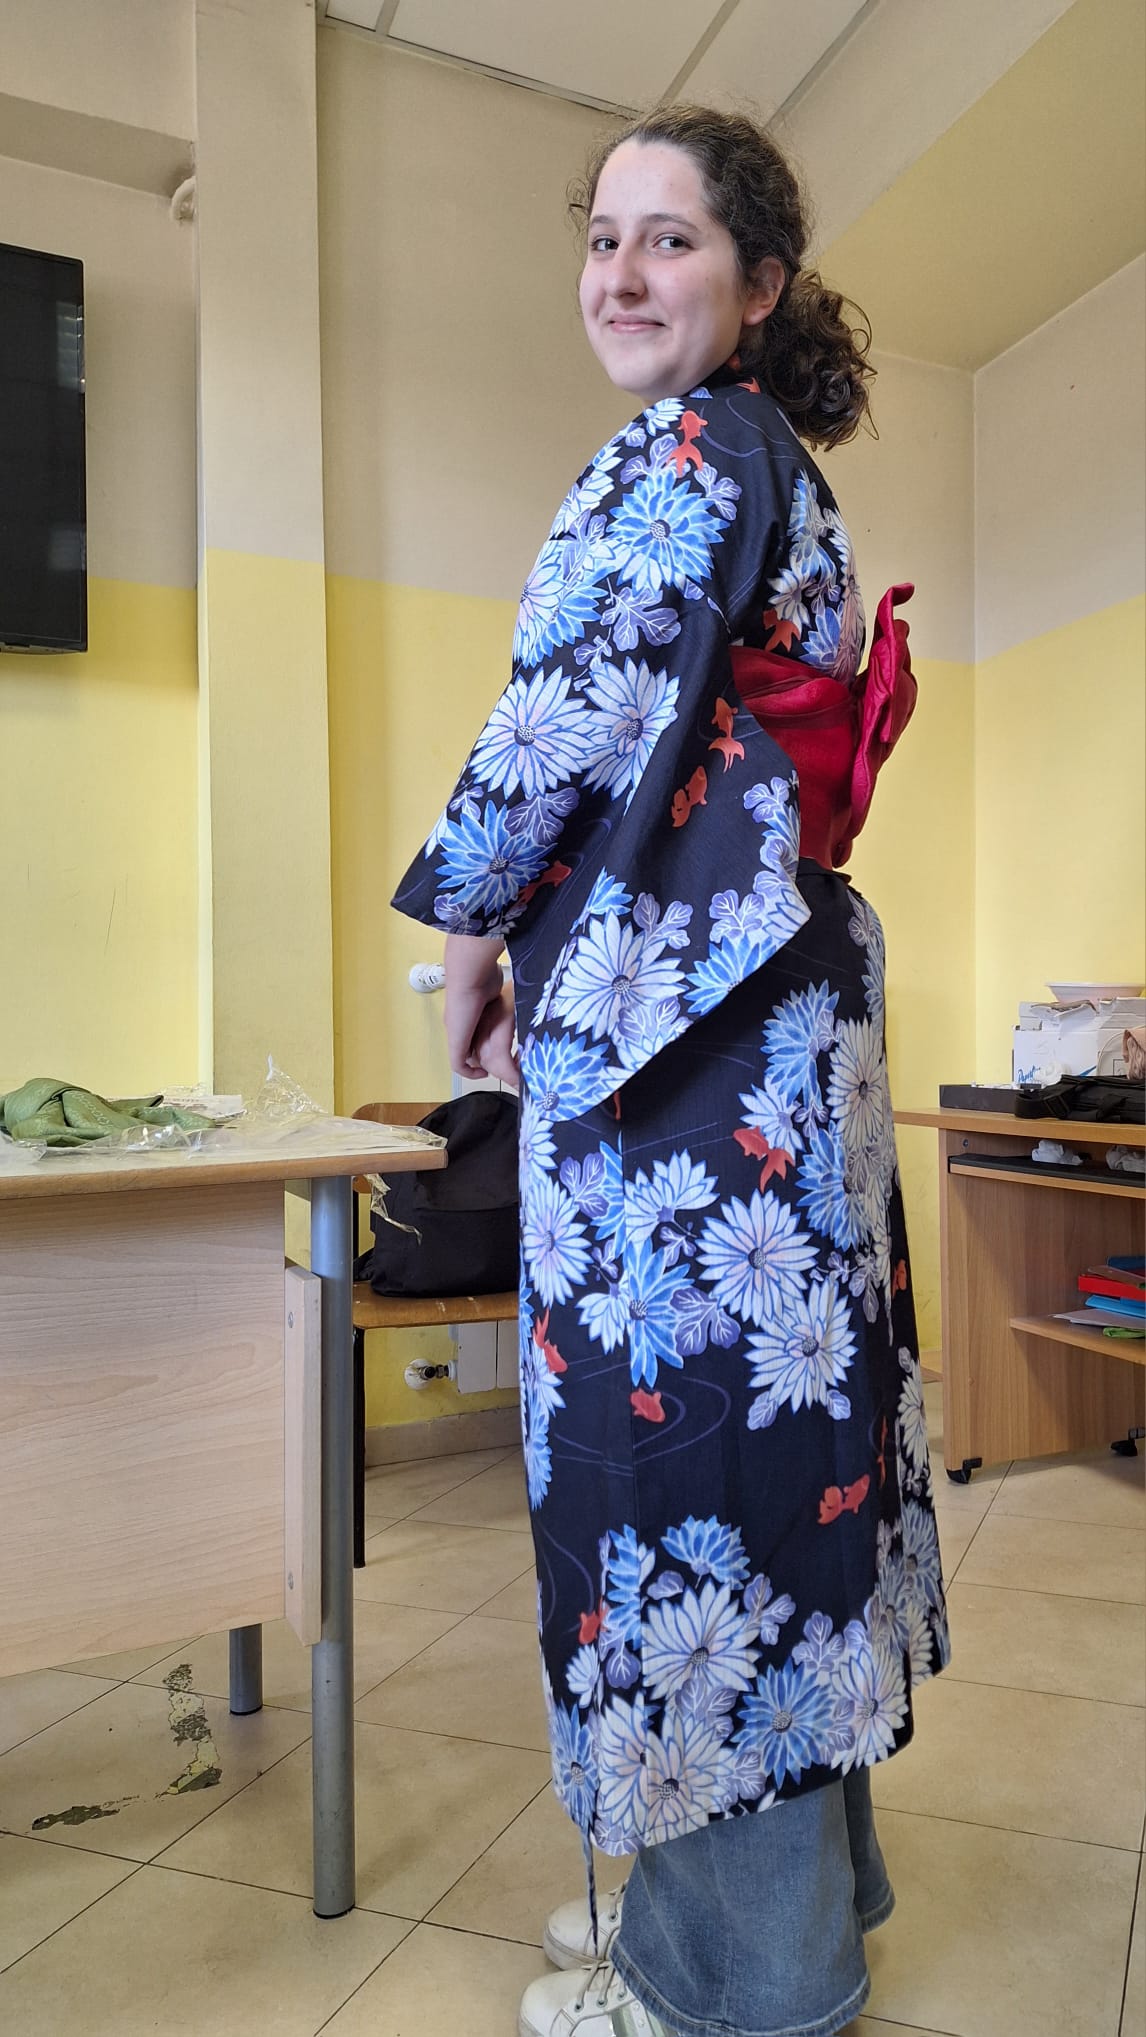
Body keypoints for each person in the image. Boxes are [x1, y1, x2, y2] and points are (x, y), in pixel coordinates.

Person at [392, 104, 950, 2037]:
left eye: (672, 240)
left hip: (696, 1048)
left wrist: (471, 936)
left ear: (759, 282)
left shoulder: (695, 446)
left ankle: (734, 1984)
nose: (621, 274)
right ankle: (791, 1919)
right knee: (782, 1470)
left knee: (692, 1491)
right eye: (602, 238)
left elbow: (575, 707)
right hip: (761, 1018)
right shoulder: (764, 455)